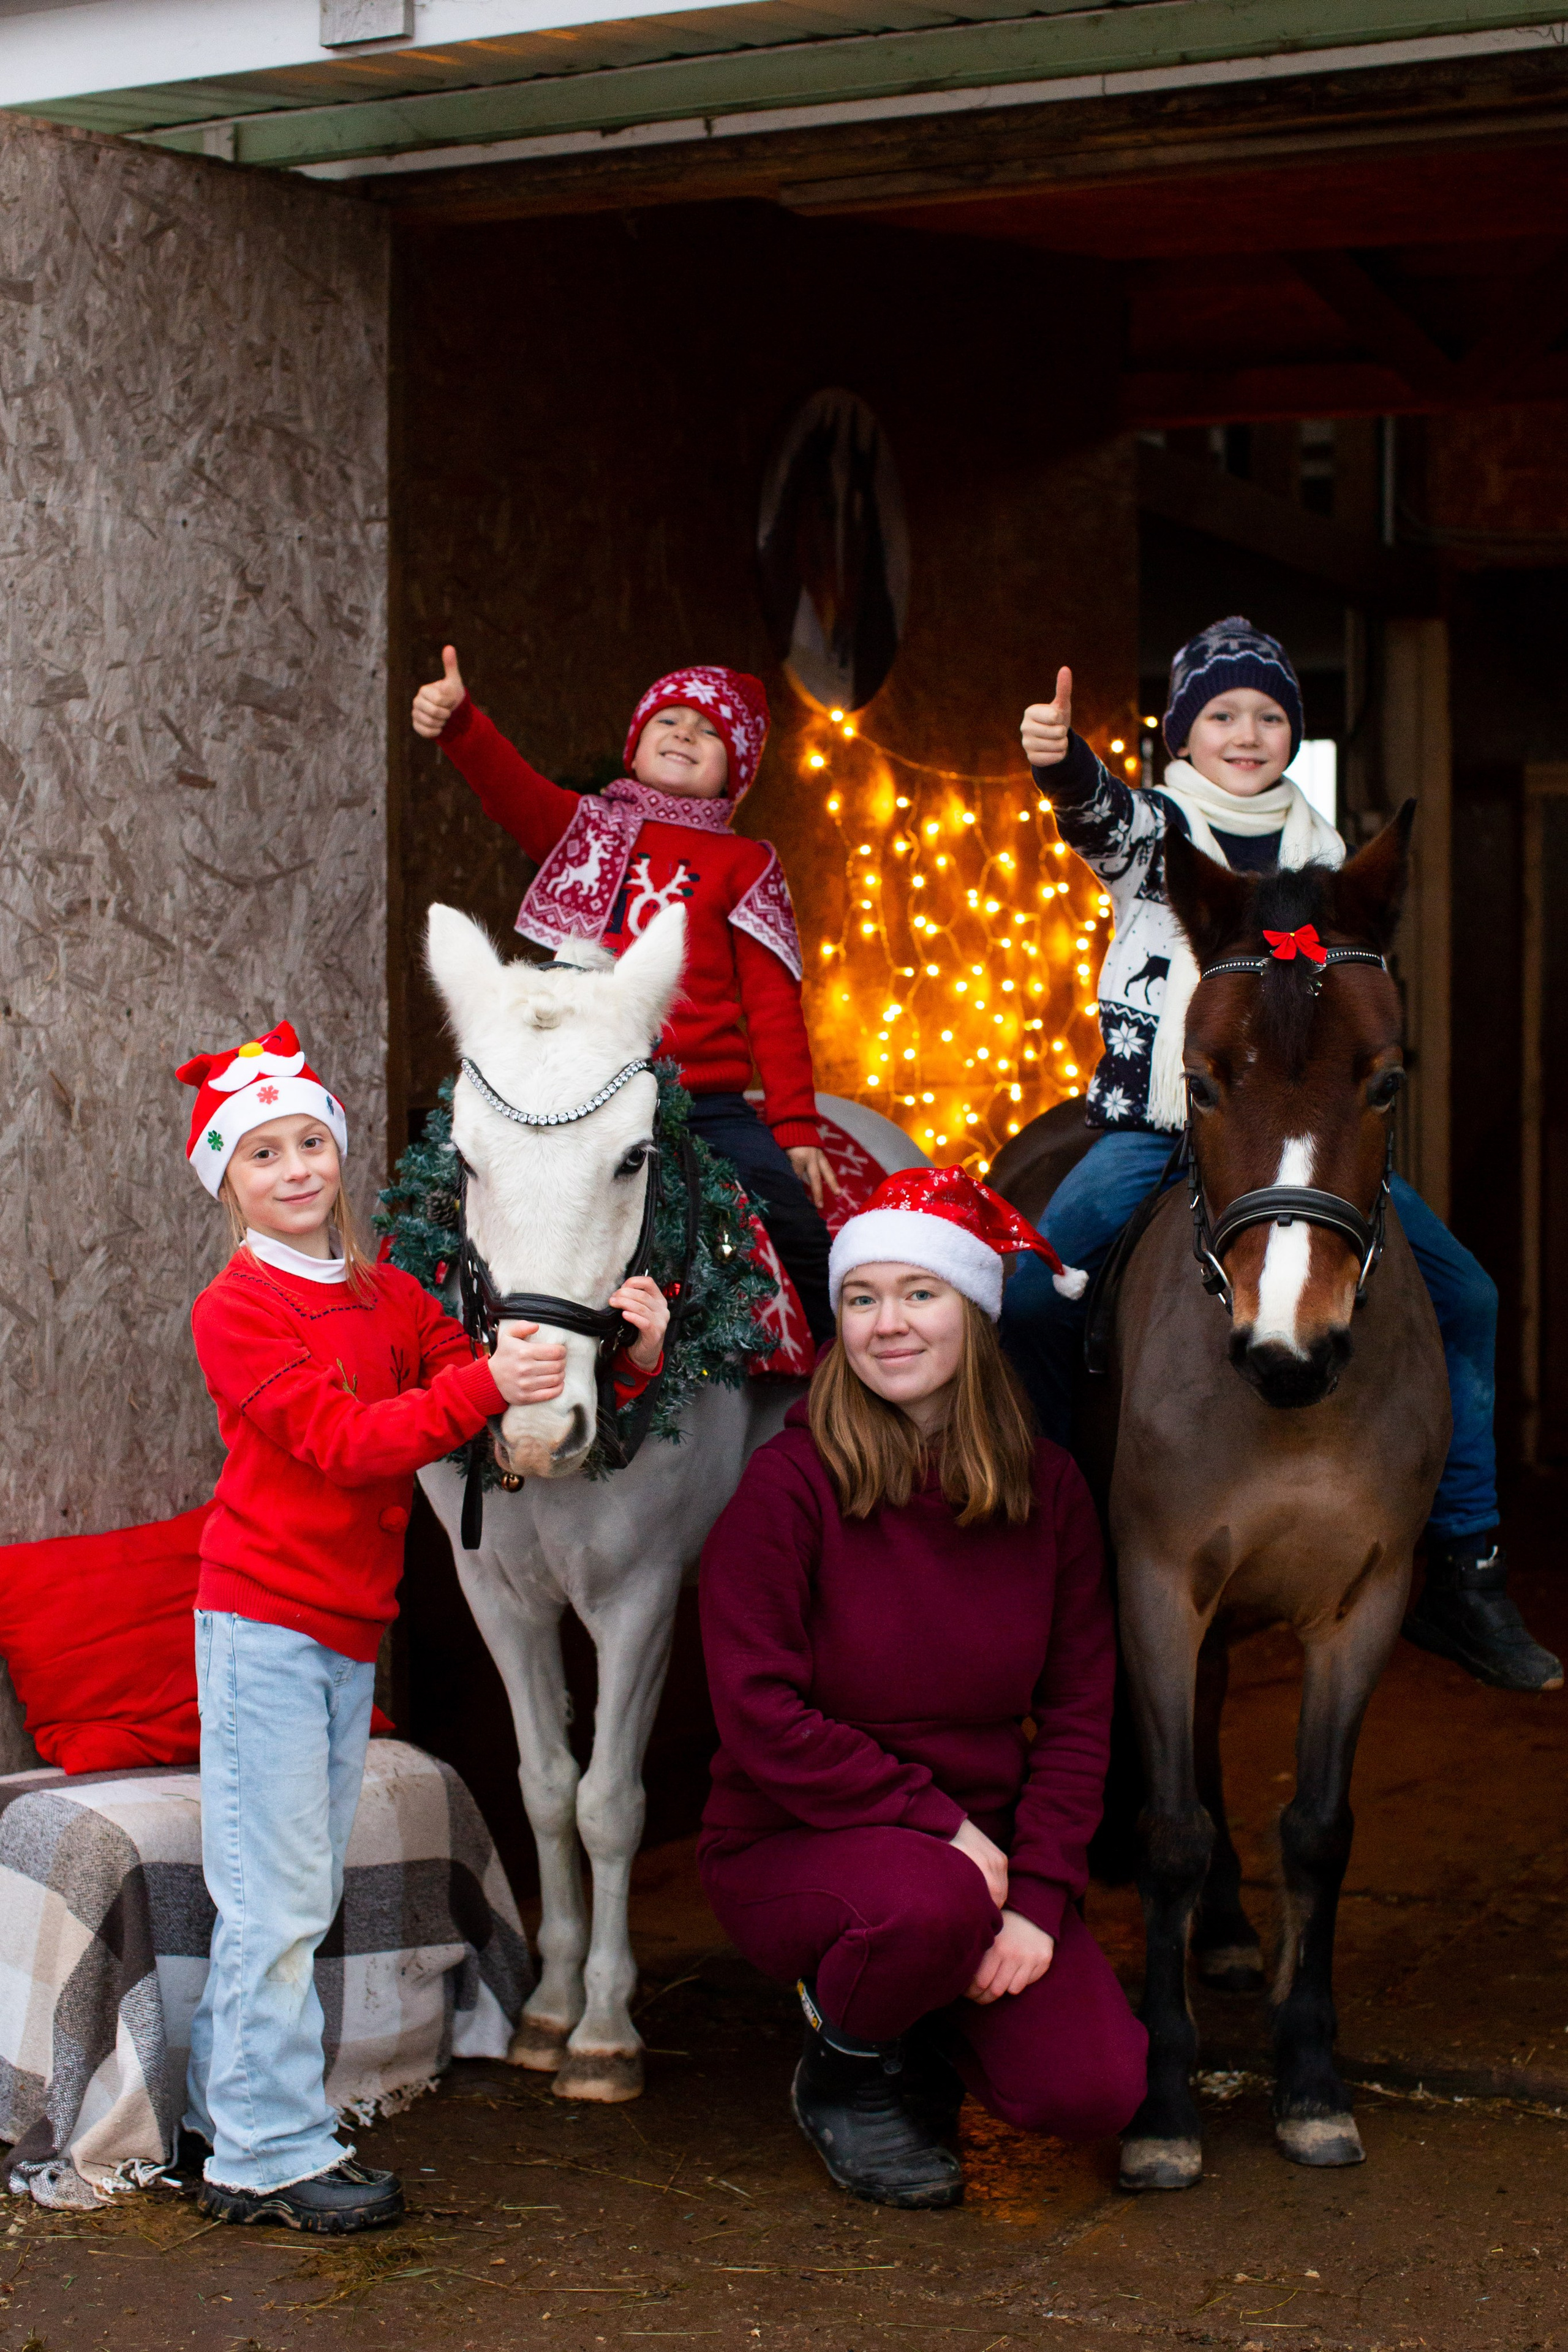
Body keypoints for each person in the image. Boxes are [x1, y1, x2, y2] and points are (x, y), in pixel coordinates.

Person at [1003, 614, 1560, 1695]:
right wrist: (1062, 761)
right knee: (1028, 1293)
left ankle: (1465, 1556)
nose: (1247, 733)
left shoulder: (1326, 856)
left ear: (1293, 736)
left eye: (1269, 715)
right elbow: (1097, 816)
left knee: (1472, 1297)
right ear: (1185, 735)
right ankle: (1044, 1522)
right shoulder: (1159, 833)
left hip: (1283, 1147)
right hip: (1155, 1128)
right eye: (1222, 715)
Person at [176, 1019, 668, 2230]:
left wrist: (630, 1357)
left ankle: (234, 2113)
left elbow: (497, 1432)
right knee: (279, 1899)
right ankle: (264, 2152)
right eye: (262, 1156)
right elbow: (349, 1445)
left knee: (290, 1891)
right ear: (228, 1184)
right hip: (264, 1627)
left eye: (309, 1143)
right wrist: (486, 1381)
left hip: (343, 1630)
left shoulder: (389, 1295)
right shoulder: (236, 1310)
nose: (295, 1170)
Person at [696, 1166, 1144, 2210]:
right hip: (796, 1840)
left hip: (977, 1865)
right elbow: (761, 1716)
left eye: (919, 1294)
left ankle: (921, 2003)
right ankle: (848, 2066)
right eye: (862, 1299)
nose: (888, 1325)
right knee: (926, 1902)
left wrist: (1037, 1903)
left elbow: (1080, 1718)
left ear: (974, 1314)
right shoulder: (787, 1487)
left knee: (1098, 2088)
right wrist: (940, 1827)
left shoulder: (1051, 1493)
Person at [412, 649, 838, 1340]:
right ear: (633, 745)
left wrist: (793, 1124)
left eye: (708, 733)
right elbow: (507, 786)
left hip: (701, 1101)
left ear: (737, 771)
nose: (683, 734)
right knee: (444, 1200)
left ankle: (842, 1374)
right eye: (667, 720)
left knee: (794, 1223)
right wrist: (462, 724)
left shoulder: (744, 861)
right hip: (574, 1090)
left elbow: (772, 1003)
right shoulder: (585, 828)